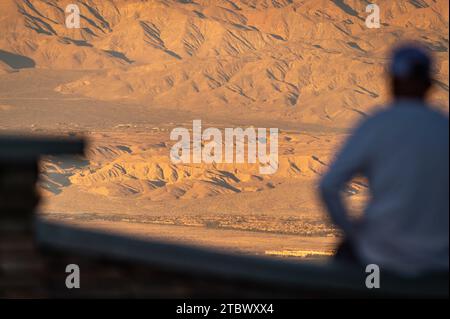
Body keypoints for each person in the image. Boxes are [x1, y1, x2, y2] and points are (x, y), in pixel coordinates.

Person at [319, 44, 449, 276]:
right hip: (439, 261)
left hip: (380, 257)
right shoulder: (443, 127)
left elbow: (329, 186)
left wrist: (352, 233)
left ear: (392, 81)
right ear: (429, 84)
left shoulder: (377, 125)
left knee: (343, 259)